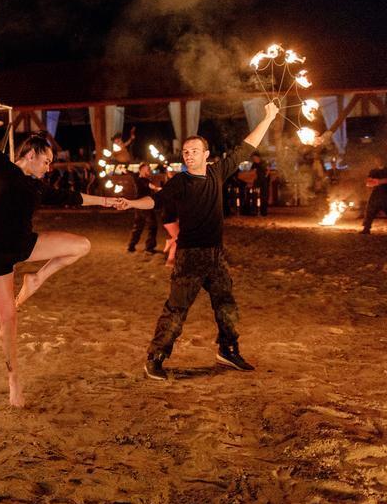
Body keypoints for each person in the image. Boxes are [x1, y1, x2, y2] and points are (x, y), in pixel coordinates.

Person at [0, 78, 116, 407]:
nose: (49, 168)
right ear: (30, 154)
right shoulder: (1, 169)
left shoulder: (38, 186)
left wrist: (106, 201)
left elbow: (71, 197)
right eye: (46, 161)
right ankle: (14, 380)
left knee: (82, 245)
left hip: (26, 244)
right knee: (8, 320)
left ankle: (37, 277)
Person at [116, 101, 280, 381]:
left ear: (206, 154)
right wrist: (131, 203)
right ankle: (155, 358)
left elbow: (247, 146)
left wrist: (269, 116)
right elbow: (154, 201)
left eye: (194, 151)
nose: (188, 155)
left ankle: (227, 350)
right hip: (190, 256)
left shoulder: (217, 171)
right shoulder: (180, 182)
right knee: (176, 309)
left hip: (215, 255)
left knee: (226, 305)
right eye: (185, 152)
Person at [361, 156, 387, 236]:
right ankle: (366, 229)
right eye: (377, 160)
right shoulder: (373, 171)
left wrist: (375, 181)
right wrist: (379, 181)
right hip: (375, 194)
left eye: (380, 160)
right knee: (369, 211)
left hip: (386, 194)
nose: (378, 161)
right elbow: (368, 183)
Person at [126, 163, 160, 253]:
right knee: (153, 226)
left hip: (138, 206)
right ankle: (149, 248)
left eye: (149, 169)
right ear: (141, 170)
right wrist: (157, 188)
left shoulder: (137, 178)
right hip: (145, 206)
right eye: (147, 169)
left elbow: (130, 172)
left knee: (138, 226)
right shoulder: (142, 180)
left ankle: (131, 246)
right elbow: (149, 185)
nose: (149, 170)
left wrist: (123, 169)